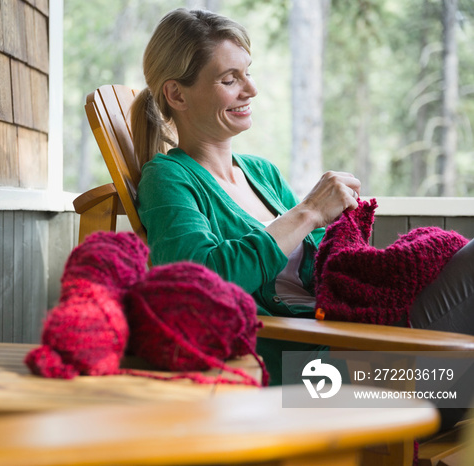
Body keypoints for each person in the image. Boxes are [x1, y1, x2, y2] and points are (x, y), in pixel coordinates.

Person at [131, 8, 474, 389]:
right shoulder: (168, 177)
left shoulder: (262, 173)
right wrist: (308, 212)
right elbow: (198, 285)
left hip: (352, 340)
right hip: (305, 374)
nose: (251, 89)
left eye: (249, 72)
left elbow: (327, 274)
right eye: (230, 79)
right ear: (177, 93)